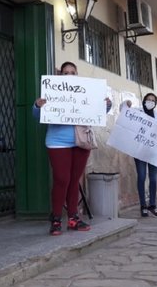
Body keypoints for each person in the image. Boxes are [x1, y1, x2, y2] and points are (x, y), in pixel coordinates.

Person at [33, 61, 112, 236]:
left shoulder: (87, 90)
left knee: (74, 180)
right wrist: (37, 106)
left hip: (81, 141)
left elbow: (98, 112)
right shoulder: (51, 91)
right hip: (57, 141)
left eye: (72, 72)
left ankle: (73, 218)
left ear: (77, 75)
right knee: (62, 179)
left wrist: (106, 105)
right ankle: (55, 219)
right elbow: (37, 115)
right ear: (60, 75)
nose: (69, 75)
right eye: (65, 72)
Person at [121, 94, 157, 217]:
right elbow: (124, 113)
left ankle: (153, 205)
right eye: (148, 100)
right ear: (144, 101)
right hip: (139, 150)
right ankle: (143, 205)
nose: (150, 102)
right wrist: (126, 104)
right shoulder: (137, 111)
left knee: (154, 178)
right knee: (142, 176)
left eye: (153, 100)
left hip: (154, 151)